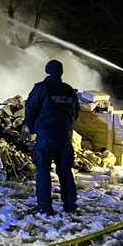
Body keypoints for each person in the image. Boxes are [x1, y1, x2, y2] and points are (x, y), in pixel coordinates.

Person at [23, 59, 80, 216]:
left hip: (46, 136)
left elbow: (30, 108)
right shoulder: (68, 90)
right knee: (65, 171)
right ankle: (70, 205)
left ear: (47, 71)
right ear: (61, 72)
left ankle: (44, 206)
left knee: (43, 170)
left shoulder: (41, 88)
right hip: (64, 136)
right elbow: (76, 112)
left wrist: (34, 128)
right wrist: (67, 127)